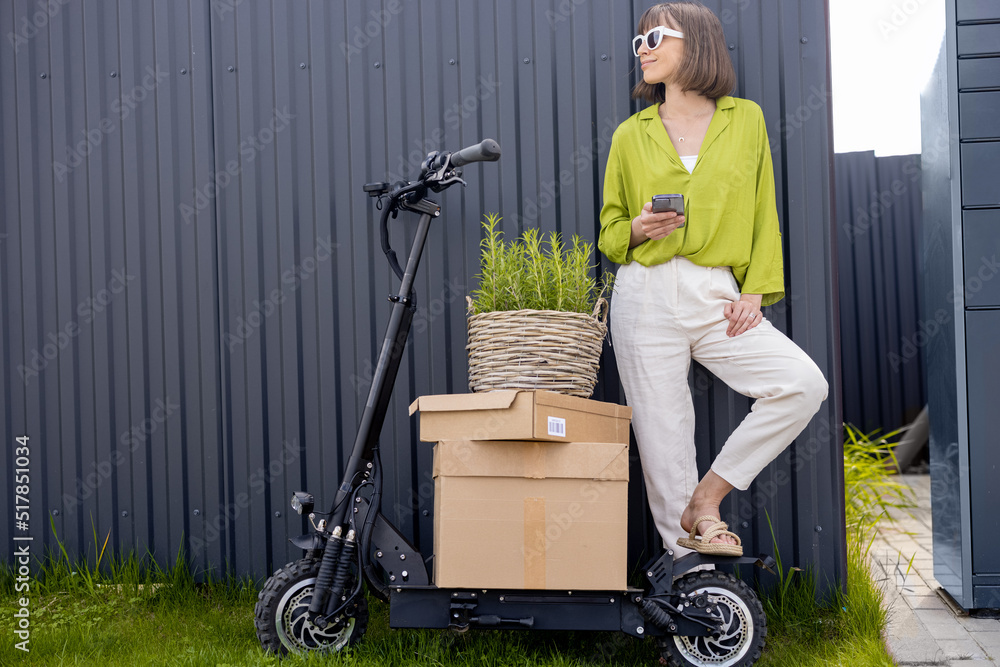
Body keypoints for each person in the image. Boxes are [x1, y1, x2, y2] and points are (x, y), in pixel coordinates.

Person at [599, 1, 829, 557]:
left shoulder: (744, 118)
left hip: (717, 293)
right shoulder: (631, 135)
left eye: (655, 36)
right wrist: (637, 226)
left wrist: (755, 290)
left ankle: (707, 498)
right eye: (638, 43)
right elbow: (608, 233)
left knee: (802, 385)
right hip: (644, 293)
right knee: (663, 440)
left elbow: (762, 211)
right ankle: (695, 592)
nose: (643, 49)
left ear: (697, 40)